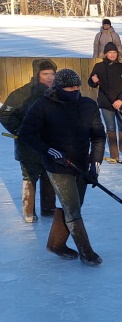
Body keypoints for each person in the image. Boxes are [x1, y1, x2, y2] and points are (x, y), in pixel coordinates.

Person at [17, 68, 107, 266]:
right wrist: (49, 151)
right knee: (73, 210)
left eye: (77, 87)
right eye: (69, 87)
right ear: (58, 87)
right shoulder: (42, 106)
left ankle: (56, 244)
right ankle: (87, 253)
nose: (74, 90)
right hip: (59, 166)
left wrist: (95, 163)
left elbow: (98, 136)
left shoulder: (88, 105)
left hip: (82, 165)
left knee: (71, 207)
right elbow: (26, 134)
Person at [0, 58, 58, 223]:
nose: (49, 77)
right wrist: (21, 131)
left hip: (50, 145)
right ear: (37, 74)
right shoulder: (21, 94)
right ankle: (28, 212)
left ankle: (49, 209)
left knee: (49, 176)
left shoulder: (58, 93)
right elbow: (5, 114)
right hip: (28, 146)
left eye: (52, 74)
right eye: (45, 73)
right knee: (30, 176)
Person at [88, 41, 122, 163]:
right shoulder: (99, 67)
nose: (113, 55)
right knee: (110, 128)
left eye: (114, 52)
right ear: (105, 54)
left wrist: (121, 99)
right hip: (105, 103)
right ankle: (114, 153)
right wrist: (93, 80)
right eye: (110, 52)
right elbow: (91, 83)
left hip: (121, 103)